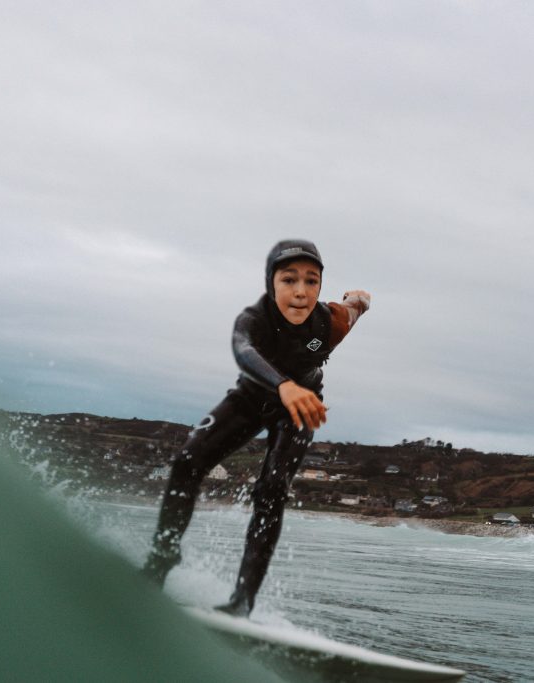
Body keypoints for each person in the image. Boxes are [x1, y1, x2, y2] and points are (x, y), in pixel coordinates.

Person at [141, 239, 371, 617]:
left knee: (272, 490)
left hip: (298, 410)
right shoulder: (253, 320)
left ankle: (242, 600)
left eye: (311, 281)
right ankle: (160, 561)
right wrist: (283, 385)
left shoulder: (331, 322)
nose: (300, 291)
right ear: (271, 283)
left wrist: (360, 300)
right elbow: (244, 351)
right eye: (288, 279)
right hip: (251, 397)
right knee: (187, 462)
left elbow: (355, 307)